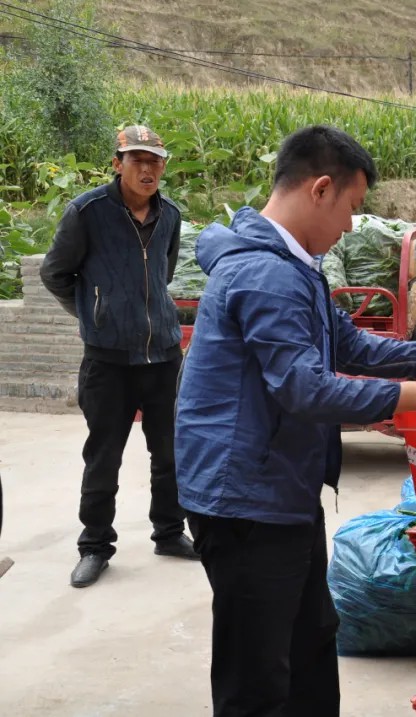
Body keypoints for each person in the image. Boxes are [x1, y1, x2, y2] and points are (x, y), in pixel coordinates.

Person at [174, 125, 416, 717]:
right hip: (245, 498)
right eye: (352, 206)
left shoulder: (294, 264)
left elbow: (344, 342)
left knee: (311, 642)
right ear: (320, 189)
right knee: (258, 675)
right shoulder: (267, 273)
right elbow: (303, 387)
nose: (350, 225)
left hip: (281, 489)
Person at [40, 125, 197, 589]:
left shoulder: (170, 214)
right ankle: (94, 547)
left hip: (163, 355)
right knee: (104, 457)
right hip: (107, 361)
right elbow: (55, 273)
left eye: (155, 161)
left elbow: (164, 273)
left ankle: (169, 532)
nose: (148, 169)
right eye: (137, 160)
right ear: (118, 164)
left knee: (169, 452)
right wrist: (94, 313)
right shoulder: (87, 212)